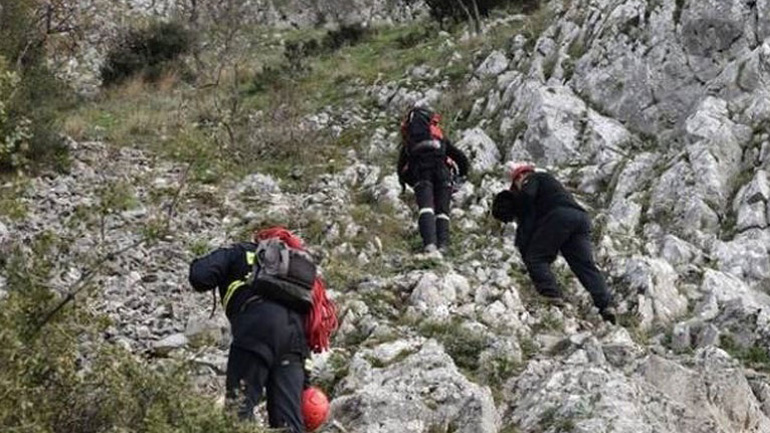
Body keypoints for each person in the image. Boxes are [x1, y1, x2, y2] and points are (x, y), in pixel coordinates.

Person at [189, 227, 337, 432]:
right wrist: (304, 382)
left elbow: (200, 277)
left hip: (256, 329)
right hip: (295, 340)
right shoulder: (293, 278)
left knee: (238, 413)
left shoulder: (239, 252)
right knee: (289, 425)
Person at [492, 162, 616, 323]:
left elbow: (527, 198)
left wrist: (523, 242)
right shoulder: (551, 189)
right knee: (585, 265)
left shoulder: (533, 178)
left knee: (535, 258)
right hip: (581, 219)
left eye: (516, 185)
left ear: (521, 176)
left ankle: (552, 296)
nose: (518, 189)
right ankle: (606, 305)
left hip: (559, 217)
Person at [397, 106, 470, 254]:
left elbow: (400, 168)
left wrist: (407, 184)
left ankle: (430, 245)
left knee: (426, 208)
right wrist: (462, 175)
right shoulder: (438, 137)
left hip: (421, 174)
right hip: (442, 172)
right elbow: (461, 158)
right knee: (442, 211)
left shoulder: (410, 141)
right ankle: (443, 246)